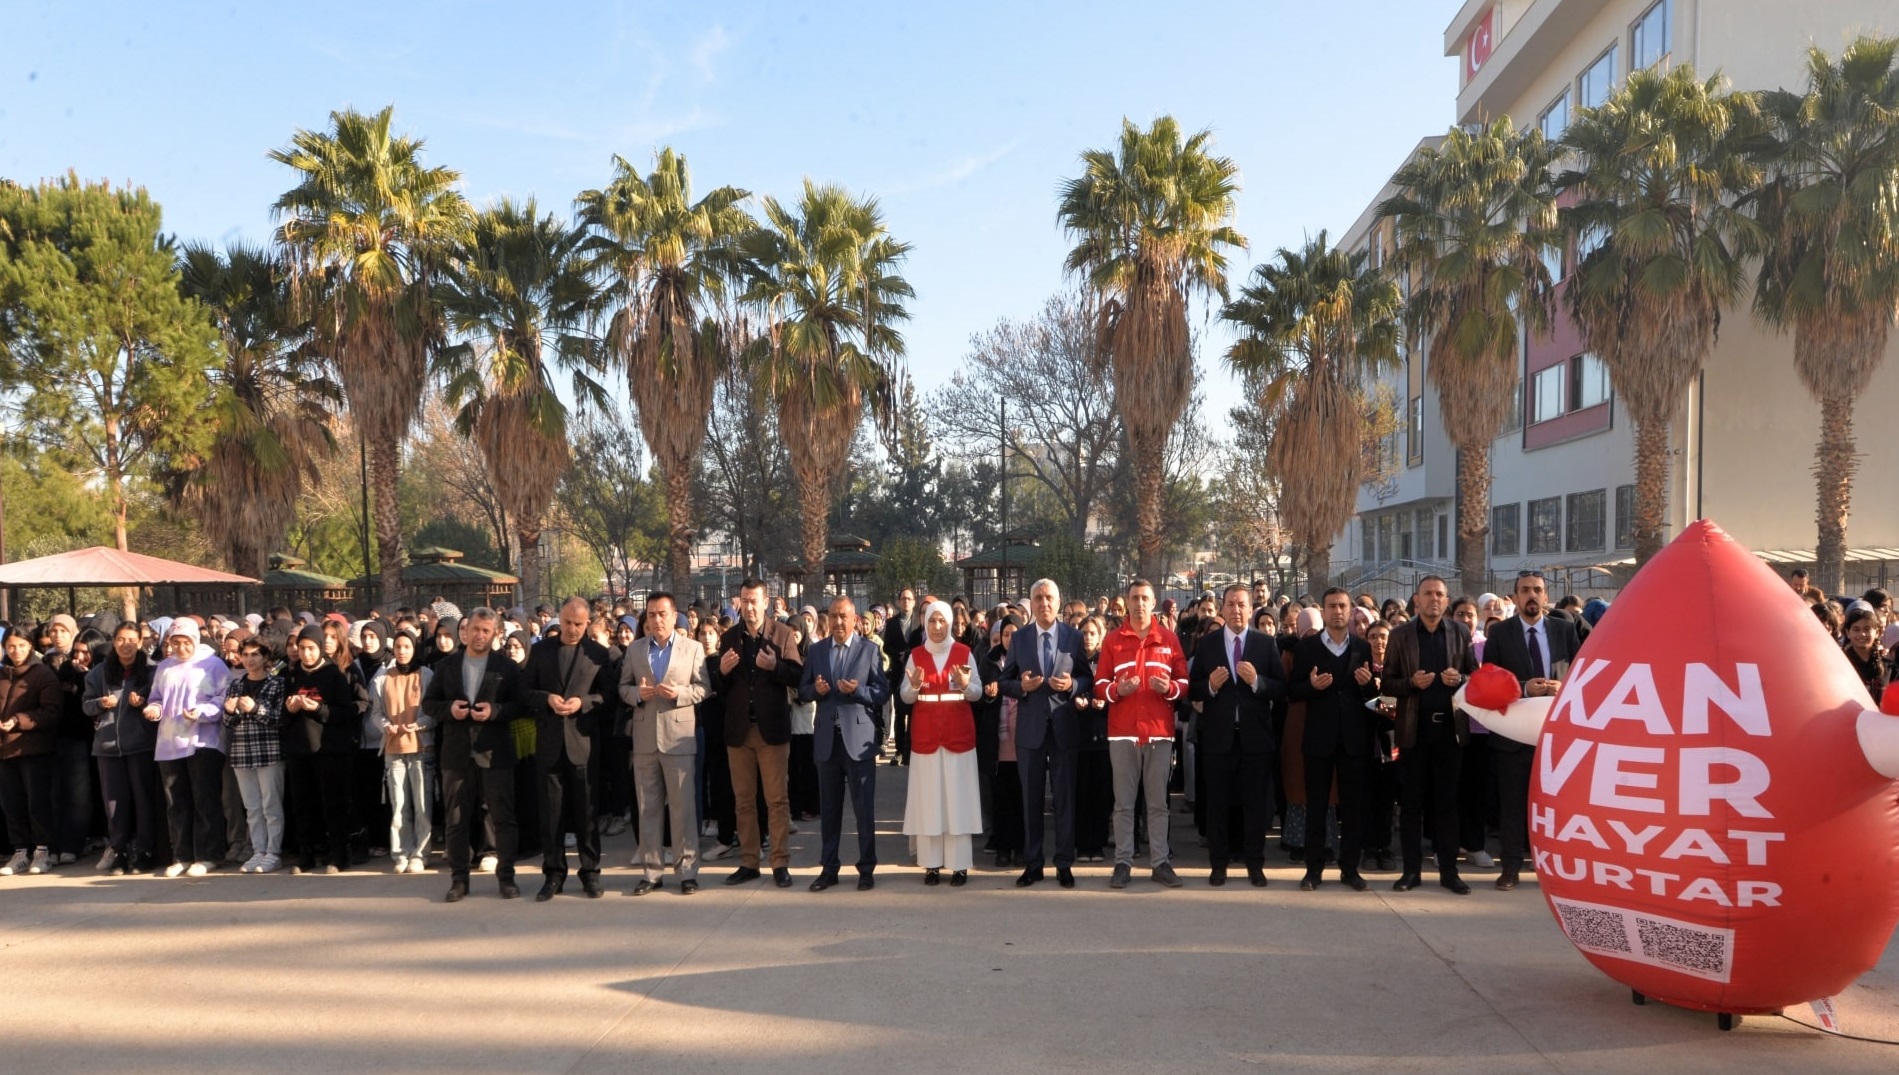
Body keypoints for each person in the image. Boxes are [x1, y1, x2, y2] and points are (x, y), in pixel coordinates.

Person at [1480, 570, 1581, 892]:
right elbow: (1489, 681)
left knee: (1555, 807)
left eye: (1537, 590)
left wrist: (1561, 686)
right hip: (1513, 737)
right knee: (1512, 805)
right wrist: (1525, 688)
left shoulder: (1565, 631)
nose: (1532, 595)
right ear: (1516, 598)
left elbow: (1581, 674)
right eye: (1525, 590)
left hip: (1554, 737)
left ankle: (1553, 869)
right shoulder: (1500, 634)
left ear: (1546, 597)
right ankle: (1510, 867)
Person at [1189, 583, 1287, 888]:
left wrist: (1257, 682)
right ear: (1222, 608)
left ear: (1250, 608)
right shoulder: (1208, 644)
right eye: (1230, 604)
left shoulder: (1264, 643)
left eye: (1241, 604)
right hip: (1219, 739)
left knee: (1255, 806)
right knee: (1217, 804)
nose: (1236, 610)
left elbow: (1282, 689)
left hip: (1255, 739)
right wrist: (1210, 687)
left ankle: (1255, 864)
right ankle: (1218, 865)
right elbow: (1192, 688)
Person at [422, 608, 523, 902]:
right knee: (456, 820)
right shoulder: (447, 666)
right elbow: (430, 703)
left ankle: (506, 877)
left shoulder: (506, 668)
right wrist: (449, 710)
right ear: (465, 632)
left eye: (486, 631)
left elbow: (520, 704)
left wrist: (496, 711)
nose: (480, 635)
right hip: (456, 754)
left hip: (495, 753)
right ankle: (459, 879)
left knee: (503, 818)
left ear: (495, 634)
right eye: (476, 629)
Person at [1384, 576, 1477, 895]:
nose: (1434, 599)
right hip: (1413, 731)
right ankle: (1411, 871)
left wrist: (1460, 678)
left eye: (1439, 594)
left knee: (1447, 805)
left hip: (1450, 732)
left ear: (1446, 600)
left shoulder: (1460, 632)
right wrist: (1411, 683)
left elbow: (1475, 678)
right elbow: (1387, 685)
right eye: (1428, 594)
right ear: (1416, 600)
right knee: (1411, 805)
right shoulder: (1400, 635)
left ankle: (1449, 872)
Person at [1095, 579, 1188, 890]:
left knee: (1158, 803)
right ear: (1127, 602)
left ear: (1153, 602)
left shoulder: (1170, 639)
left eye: (1145, 598)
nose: (1139, 603)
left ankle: (1160, 863)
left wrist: (1171, 689)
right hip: (1122, 734)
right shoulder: (1112, 641)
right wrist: (1116, 690)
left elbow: (1184, 683)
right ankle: (1123, 862)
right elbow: (1098, 685)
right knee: (1123, 803)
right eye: (1134, 598)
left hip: (1159, 734)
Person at [712, 579, 804, 888]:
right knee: (743, 800)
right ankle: (749, 861)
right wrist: (721, 672)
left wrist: (775, 665)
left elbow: (798, 675)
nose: (749, 607)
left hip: (771, 732)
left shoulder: (783, 634)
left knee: (777, 800)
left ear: (766, 602)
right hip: (739, 731)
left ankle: (779, 862)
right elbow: (719, 687)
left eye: (754, 601)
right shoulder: (728, 638)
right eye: (744, 601)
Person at [999, 579, 1090, 889]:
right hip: (1030, 729)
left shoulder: (1073, 637)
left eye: (1049, 597)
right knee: (1031, 799)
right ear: (1032, 603)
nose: (1043, 603)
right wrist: (1020, 687)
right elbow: (1004, 680)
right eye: (1037, 598)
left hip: (1064, 728)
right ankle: (1034, 863)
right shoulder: (1020, 638)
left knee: (1065, 798)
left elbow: (1086, 677)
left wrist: (1074, 686)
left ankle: (1064, 863)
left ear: (1058, 600)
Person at [1288, 588, 1378, 891]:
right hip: (1319, 739)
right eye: (1331, 606)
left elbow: (1372, 697)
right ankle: (1313, 870)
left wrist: (1368, 687)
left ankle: (1350, 869)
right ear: (1323, 612)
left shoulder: (1362, 648)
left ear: (1350, 610)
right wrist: (1311, 686)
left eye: (1342, 606)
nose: (1337, 611)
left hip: (1353, 740)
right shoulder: (1308, 648)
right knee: (1316, 807)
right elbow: (1293, 691)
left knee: (1353, 808)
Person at [525, 597, 613, 900]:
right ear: (559, 620)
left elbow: (608, 697)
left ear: (587, 623)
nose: (572, 629)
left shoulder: (599, 655)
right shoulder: (539, 651)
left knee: (587, 813)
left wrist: (583, 702)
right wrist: (546, 699)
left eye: (578, 624)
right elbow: (524, 692)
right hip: (550, 742)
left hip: (584, 742)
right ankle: (553, 873)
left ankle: (590, 873)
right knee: (551, 815)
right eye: (567, 622)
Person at [621, 593, 709, 896]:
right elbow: (622, 688)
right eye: (651, 614)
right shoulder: (635, 650)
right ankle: (651, 871)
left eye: (662, 614)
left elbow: (703, 689)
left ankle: (687, 872)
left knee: (683, 808)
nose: (656, 620)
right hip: (645, 739)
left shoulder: (693, 649)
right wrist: (636, 695)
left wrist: (680, 694)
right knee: (648, 808)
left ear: (674, 616)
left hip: (679, 738)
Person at [801, 596, 888, 891]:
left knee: (864, 809)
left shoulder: (869, 650)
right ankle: (829, 868)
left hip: (858, 740)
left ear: (855, 621)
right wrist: (816, 689)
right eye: (834, 616)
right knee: (830, 809)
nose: (838, 622)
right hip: (827, 740)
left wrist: (858, 691)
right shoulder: (816, 651)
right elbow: (803, 690)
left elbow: (882, 692)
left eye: (844, 617)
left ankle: (866, 868)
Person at [894, 599, 980, 887]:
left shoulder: (964, 652)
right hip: (927, 738)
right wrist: (915, 685)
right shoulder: (916, 655)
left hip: (958, 738)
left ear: (950, 623)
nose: (938, 626)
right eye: (932, 621)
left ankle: (959, 866)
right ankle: (931, 865)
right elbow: (905, 696)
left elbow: (977, 693)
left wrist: (966, 684)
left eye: (942, 621)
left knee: (957, 802)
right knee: (929, 802)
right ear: (926, 624)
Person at [148, 619, 231, 877]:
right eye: (175, 643)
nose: (181, 648)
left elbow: (224, 697)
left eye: (186, 643)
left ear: (196, 641)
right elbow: (157, 698)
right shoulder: (165, 667)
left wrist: (203, 711)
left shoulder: (213, 665)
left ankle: (208, 855)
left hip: (202, 742)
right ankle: (182, 855)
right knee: (176, 802)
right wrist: (154, 709)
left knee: (204, 799)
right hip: (169, 743)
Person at [84, 623, 160, 874]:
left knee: (144, 800)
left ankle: (145, 850)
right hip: (107, 746)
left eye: (131, 639)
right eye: (120, 639)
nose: (125, 644)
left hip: (141, 745)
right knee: (114, 804)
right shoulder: (99, 672)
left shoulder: (152, 671)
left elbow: (160, 701)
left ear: (140, 642)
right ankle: (119, 850)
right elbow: (86, 705)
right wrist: (100, 703)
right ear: (113, 641)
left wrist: (144, 702)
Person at [283, 624, 358, 874]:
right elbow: (283, 716)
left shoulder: (333, 675)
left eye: (311, 649)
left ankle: (338, 854)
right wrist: (291, 709)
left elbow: (346, 713)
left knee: (332, 804)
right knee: (303, 805)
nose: (306, 654)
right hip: (299, 750)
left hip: (328, 751)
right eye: (302, 648)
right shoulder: (292, 675)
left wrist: (318, 708)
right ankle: (307, 854)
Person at [0, 627, 63, 875]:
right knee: (11, 804)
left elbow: (51, 712)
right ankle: (20, 852)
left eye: (21, 646)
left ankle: (42, 851)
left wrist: (18, 720)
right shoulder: (2, 673)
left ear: (30, 646)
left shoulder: (42, 675)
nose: (16, 651)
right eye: (11, 646)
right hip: (5, 751)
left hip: (33, 749)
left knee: (37, 803)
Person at [222, 635, 285, 873]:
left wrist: (256, 708)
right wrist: (229, 712)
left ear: (266, 657)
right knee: (252, 807)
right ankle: (258, 850)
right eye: (245, 654)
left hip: (269, 752)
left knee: (271, 805)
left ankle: (273, 851)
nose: (249, 659)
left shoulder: (276, 684)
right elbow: (228, 723)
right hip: (241, 752)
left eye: (255, 654)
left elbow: (280, 719)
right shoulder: (236, 685)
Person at [374, 629, 433, 875]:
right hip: (393, 749)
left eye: (407, 646)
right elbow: (376, 713)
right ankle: (401, 852)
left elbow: (434, 710)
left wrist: (420, 723)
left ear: (414, 648)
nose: (402, 651)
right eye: (398, 646)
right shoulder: (382, 677)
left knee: (421, 804)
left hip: (420, 747)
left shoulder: (426, 674)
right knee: (399, 805)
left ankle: (421, 853)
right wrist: (386, 726)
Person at [1072, 615, 1112, 863]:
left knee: (1101, 793)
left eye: (1092, 633)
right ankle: (1081, 844)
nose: (1087, 638)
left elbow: (1114, 693)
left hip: (1102, 737)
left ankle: (1097, 844)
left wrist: (1103, 703)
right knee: (1080, 792)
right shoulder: (1072, 662)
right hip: (1077, 737)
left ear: (1100, 636)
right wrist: (1075, 701)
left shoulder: (1106, 661)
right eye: (1084, 633)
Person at [883, 588, 919, 764]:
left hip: (915, 672)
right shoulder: (891, 624)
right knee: (899, 714)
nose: (906, 602)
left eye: (909, 599)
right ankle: (898, 750)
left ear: (914, 602)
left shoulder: (919, 623)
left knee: (913, 713)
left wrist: (910, 653)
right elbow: (886, 647)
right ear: (898, 602)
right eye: (903, 599)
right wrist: (898, 655)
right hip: (898, 672)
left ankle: (910, 750)